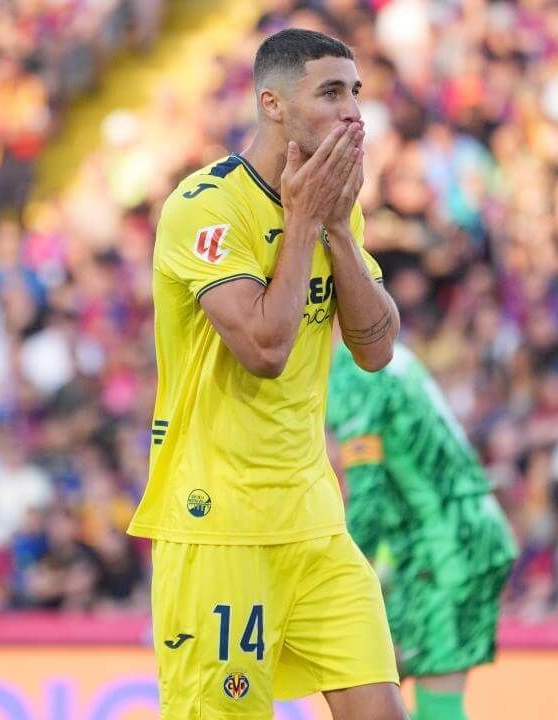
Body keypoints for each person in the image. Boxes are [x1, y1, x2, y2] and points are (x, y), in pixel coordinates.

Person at [127, 28, 404, 720]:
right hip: (218, 524)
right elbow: (264, 346)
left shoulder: (337, 211)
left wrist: (336, 229)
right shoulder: (206, 207)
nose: (353, 114)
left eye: (356, 94)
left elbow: (375, 349)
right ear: (273, 105)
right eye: (331, 93)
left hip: (311, 519)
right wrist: (307, 223)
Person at [326, 341, 517, 720]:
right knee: (374, 680)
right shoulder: (384, 350)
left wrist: (338, 572)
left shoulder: (352, 372)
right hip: (441, 537)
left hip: (445, 545)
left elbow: (367, 489)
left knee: (432, 698)